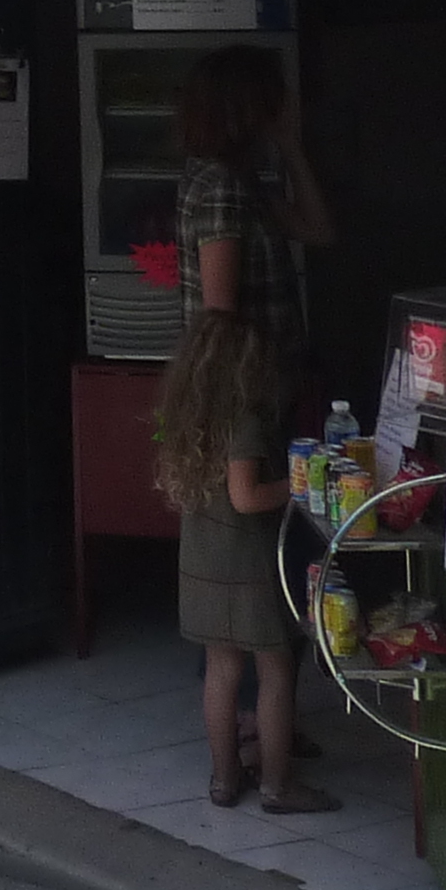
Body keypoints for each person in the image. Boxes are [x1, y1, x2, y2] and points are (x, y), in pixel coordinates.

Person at [154, 307, 336, 814]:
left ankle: (223, 779)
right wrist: (299, 486)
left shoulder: (192, 417)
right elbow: (246, 497)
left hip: (202, 563)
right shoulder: (246, 421)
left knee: (220, 670)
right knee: (276, 669)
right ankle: (279, 785)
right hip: (248, 568)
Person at [177, 44, 330, 406]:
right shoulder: (221, 187)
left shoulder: (242, 180)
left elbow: (318, 231)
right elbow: (221, 315)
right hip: (247, 388)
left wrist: (291, 146)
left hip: (265, 381)